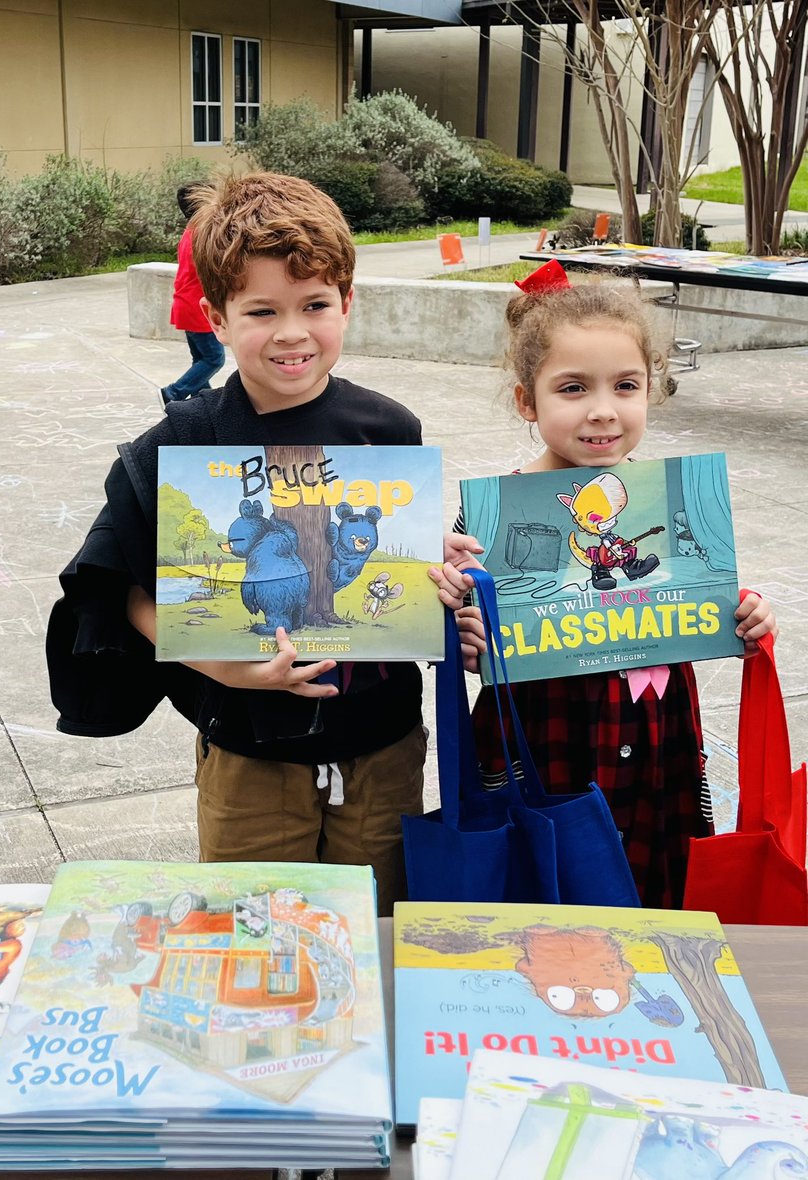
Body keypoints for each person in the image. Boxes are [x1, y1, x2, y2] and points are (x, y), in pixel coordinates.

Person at [46, 172, 481, 916]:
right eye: (261, 310)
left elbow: (385, 564)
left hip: (381, 743)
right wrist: (232, 670)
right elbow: (117, 589)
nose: (291, 333)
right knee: (251, 930)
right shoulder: (181, 445)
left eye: (314, 305)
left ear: (347, 303)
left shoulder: (389, 431)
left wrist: (430, 564)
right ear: (216, 317)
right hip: (248, 749)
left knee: (374, 925)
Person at [442, 262, 778, 909]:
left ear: (652, 388)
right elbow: (453, 626)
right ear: (527, 400)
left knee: (652, 874)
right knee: (545, 879)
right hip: (546, 731)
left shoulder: (670, 500)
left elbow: (705, 594)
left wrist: (747, 613)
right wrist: (456, 623)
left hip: (656, 729)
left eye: (626, 385)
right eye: (572, 388)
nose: (603, 411)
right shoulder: (492, 516)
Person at [160, 182, 225, 405]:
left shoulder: (190, 232)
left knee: (201, 359)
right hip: (197, 306)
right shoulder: (202, 234)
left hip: (186, 304)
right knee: (214, 359)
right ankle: (173, 393)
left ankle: (201, 401)